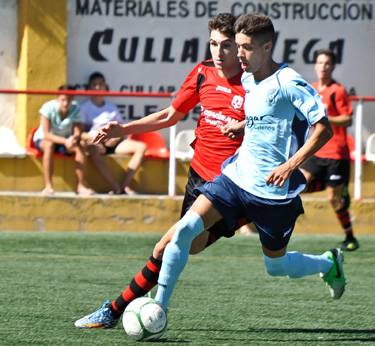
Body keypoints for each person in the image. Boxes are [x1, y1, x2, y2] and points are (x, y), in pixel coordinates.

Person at [113, 13, 345, 324]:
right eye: (236, 46)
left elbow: (323, 129)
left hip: (271, 192)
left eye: (245, 47)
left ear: (267, 47)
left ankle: (327, 263)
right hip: (234, 179)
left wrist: (290, 165)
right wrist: (243, 125)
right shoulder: (249, 78)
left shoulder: (290, 82)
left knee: (275, 265)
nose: (239, 54)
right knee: (182, 232)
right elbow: (262, 116)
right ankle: (159, 308)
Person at [74, 13, 246, 329]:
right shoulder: (202, 73)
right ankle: (247, 220)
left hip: (228, 183)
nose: (218, 53)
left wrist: (247, 124)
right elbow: (170, 115)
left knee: (167, 245)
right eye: (213, 44)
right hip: (199, 178)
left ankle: (115, 310)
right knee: (191, 247)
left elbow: (276, 124)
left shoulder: (255, 83)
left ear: (240, 47)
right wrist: (123, 129)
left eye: (226, 45)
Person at [300, 49, 359, 251]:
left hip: (336, 154)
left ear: (332, 67)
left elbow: (348, 118)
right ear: (315, 65)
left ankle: (350, 237)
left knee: (333, 200)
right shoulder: (312, 89)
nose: (323, 67)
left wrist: (326, 119)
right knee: (298, 185)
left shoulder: (338, 90)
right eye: (319, 62)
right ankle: (333, 187)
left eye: (327, 63)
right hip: (316, 151)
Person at [80, 72, 146, 194]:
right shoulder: (84, 107)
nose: (98, 87)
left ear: (106, 87)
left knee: (141, 147)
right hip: (97, 143)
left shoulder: (111, 107)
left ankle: (124, 186)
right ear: (89, 88)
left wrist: (116, 138)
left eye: (100, 84)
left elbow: (123, 129)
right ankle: (116, 187)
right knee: (93, 150)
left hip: (114, 143)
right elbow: (80, 133)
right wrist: (95, 139)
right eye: (94, 85)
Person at [32, 85, 94, 196]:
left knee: (80, 147)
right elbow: (46, 134)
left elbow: (77, 131)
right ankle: (48, 186)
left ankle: (81, 186)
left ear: (73, 99)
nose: (66, 103)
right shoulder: (48, 107)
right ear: (57, 98)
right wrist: (66, 141)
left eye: (69, 99)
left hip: (66, 140)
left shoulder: (76, 107)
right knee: (49, 145)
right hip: (44, 140)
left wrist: (74, 139)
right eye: (63, 99)